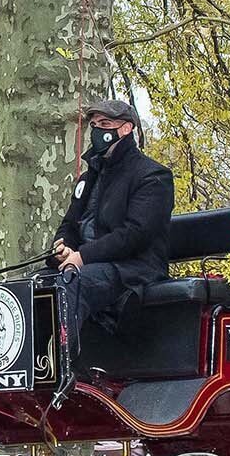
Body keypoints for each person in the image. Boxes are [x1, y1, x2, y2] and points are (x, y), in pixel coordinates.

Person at [49, 96, 173, 394]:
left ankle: (63, 370)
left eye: (105, 125)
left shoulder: (153, 176)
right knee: (36, 285)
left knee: (73, 282)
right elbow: (70, 224)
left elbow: (135, 234)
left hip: (134, 270)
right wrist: (62, 247)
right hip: (87, 266)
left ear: (126, 129)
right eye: (94, 125)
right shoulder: (89, 176)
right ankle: (28, 368)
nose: (97, 131)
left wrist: (82, 257)